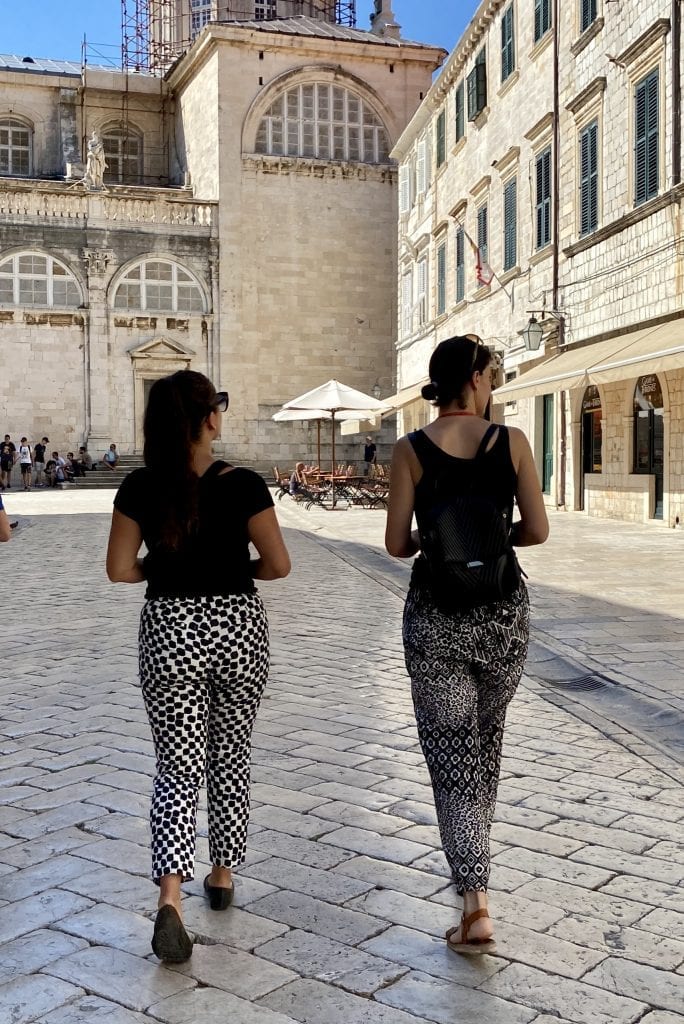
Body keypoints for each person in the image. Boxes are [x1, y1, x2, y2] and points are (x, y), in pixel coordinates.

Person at [106, 369, 290, 965]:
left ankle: (170, 898)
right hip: (236, 628)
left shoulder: (139, 485)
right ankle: (221, 873)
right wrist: (233, 576)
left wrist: (164, 572)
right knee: (231, 754)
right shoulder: (243, 484)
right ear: (209, 418)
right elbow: (278, 564)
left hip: (169, 630)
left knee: (177, 767)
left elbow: (118, 569)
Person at [385, 335, 548, 957]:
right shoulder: (512, 444)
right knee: (484, 749)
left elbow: (398, 545)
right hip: (502, 616)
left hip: (436, 616)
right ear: (475, 379)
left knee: (451, 759)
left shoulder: (410, 450)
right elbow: (536, 529)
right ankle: (474, 887)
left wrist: (445, 536)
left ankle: (475, 901)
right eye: (494, 374)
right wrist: (490, 535)